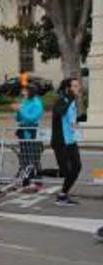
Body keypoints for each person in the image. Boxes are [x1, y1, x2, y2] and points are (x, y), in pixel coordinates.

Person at [52, 78, 83, 206]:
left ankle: (62, 195)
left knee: (77, 167)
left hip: (71, 140)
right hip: (61, 141)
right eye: (75, 86)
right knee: (65, 171)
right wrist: (69, 98)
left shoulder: (72, 101)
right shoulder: (62, 99)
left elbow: (71, 119)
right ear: (67, 88)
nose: (78, 88)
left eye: (78, 86)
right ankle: (36, 172)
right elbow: (58, 112)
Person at [13, 84, 44, 191]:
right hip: (23, 132)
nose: (22, 93)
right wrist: (17, 111)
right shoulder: (25, 101)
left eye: (24, 91)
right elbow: (18, 118)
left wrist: (20, 110)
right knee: (24, 157)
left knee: (34, 157)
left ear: (30, 91)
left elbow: (31, 118)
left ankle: (37, 180)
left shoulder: (37, 103)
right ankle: (24, 179)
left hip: (32, 132)